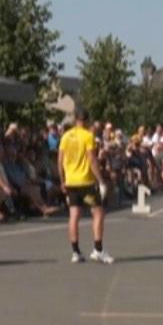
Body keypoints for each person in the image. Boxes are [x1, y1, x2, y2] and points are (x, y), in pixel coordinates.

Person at [59, 110, 112, 264]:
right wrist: (101, 180)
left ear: (76, 119)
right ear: (87, 120)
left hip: (71, 181)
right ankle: (98, 249)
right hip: (85, 181)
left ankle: (75, 251)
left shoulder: (66, 136)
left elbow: (60, 160)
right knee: (98, 212)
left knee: (74, 215)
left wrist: (62, 180)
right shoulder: (88, 136)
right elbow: (92, 159)